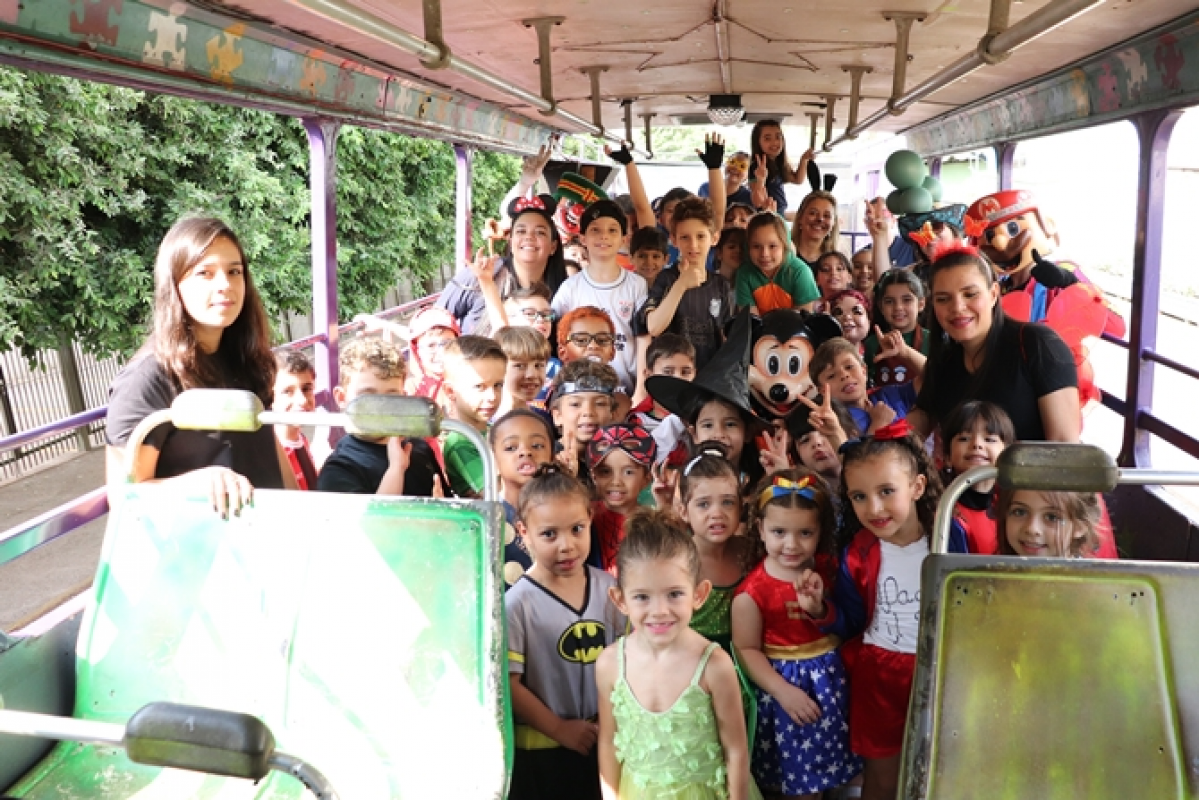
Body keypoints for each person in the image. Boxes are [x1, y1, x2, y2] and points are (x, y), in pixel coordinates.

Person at [796, 424, 968, 800]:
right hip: (879, 676)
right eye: (859, 496)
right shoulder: (858, 552)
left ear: (917, 487)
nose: (873, 508)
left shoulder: (949, 535)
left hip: (941, 671)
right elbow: (852, 621)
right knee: (883, 778)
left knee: (941, 771)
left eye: (886, 491)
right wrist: (822, 609)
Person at [105, 217, 292, 517]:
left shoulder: (246, 358)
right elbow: (125, 496)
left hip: (263, 532)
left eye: (234, 272)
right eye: (205, 273)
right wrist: (201, 481)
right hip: (197, 541)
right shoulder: (148, 378)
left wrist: (301, 512)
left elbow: (267, 447)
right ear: (174, 284)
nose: (225, 285)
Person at [596, 509, 754, 800]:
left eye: (674, 594)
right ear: (620, 600)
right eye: (642, 597)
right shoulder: (609, 664)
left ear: (699, 594)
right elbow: (608, 741)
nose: (659, 611)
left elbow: (735, 749)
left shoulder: (714, 665)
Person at [732, 469, 861, 798]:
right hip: (788, 695)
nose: (791, 544)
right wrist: (783, 692)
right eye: (779, 532)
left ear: (820, 532)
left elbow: (847, 623)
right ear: (760, 529)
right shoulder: (752, 592)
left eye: (805, 532)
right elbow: (746, 649)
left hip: (833, 687)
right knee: (802, 786)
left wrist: (819, 608)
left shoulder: (830, 570)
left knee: (838, 774)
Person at [507, 465, 625, 800]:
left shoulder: (611, 589)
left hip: (607, 742)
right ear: (524, 532)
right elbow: (510, 685)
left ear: (590, 519)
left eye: (576, 529)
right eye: (549, 534)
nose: (567, 545)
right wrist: (559, 729)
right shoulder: (516, 604)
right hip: (544, 754)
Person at [908, 245, 1080, 443]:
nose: (957, 307)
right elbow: (921, 419)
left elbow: (1064, 447)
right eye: (943, 299)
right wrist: (885, 439)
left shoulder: (1038, 345)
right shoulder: (944, 361)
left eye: (970, 294)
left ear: (993, 294)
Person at [316, 337, 446, 497]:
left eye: (392, 396)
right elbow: (371, 514)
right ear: (341, 398)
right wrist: (396, 469)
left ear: (404, 398)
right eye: (367, 396)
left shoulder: (419, 447)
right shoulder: (339, 470)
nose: (380, 407)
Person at [551, 200, 649, 396]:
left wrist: (641, 389)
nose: (604, 236)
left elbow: (643, 338)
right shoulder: (570, 287)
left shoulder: (637, 284)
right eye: (595, 230)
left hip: (627, 389)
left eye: (612, 230)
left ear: (624, 238)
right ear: (583, 238)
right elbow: (554, 332)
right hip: (581, 388)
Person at [439, 194, 569, 334]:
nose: (529, 237)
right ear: (511, 242)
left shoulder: (565, 292)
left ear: (553, 246)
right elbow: (436, 319)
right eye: (521, 231)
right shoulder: (479, 276)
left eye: (540, 232)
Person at [638, 196, 734, 370]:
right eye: (685, 237)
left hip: (709, 376)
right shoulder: (666, 279)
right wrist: (681, 284)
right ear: (674, 240)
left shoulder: (721, 285)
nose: (693, 245)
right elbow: (653, 327)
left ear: (714, 238)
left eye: (700, 236)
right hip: (672, 375)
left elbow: (727, 338)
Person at [678, 444, 752, 653]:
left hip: (747, 661)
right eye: (703, 504)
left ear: (741, 507)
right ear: (684, 512)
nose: (717, 513)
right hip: (691, 663)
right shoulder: (676, 561)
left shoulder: (750, 553)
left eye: (728, 502)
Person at [490, 409, 556, 589]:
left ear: (552, 456)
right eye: (511, 448)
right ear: (493, 460)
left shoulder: (564, 514)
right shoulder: (486, 519)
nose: (525, 452)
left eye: (537, 445)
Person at [941, 401, 1014, 555]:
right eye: (964, 438)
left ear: (1008, 455)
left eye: (989, 439)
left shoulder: (1013, 506)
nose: (976, 444)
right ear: (947, 456)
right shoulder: (942, 509)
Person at [441, 336, 507, 498]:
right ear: (450, 391)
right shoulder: (460, 442)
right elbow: (497, 495)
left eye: (498, 385)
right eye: (479, 387)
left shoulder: (492, 431)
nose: (492, 396)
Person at [810, 338, 917, 436]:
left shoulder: (888, 395)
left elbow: (927, 382)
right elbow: (854, 451)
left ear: (864, 371)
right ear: (822, 391)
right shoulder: (834, 424)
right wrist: (879, 424)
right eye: (831, 376)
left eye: (849, 367)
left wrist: (905, 352)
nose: (844, 375)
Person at [588, 423, 656, 573]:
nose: (616, 482)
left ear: (646, 478)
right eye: (605, 472)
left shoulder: (652, 521)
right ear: (594, 476)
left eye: (628, 472)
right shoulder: (585, 514)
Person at [549, 359, 620, 487]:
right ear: (557, 416)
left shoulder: (617, 460)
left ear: (613, 414)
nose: (588, 412)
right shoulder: (547, 460)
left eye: (600, 404)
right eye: (575, 404)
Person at [737, 213, 819, 316]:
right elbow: (750, 320)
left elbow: (804, 319)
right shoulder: (744, 274)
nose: (764, 254)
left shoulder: (800, 273)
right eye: (756, 246)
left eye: (772, 246)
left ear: (784, 246)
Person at [863, 269, 929, 388]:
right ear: (881, 307)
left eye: (907, 300)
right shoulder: (872, 344)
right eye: (889, 301)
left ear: (921, 304)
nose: (898, 307)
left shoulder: (933, 341)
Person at [997, 488, 1106, 558]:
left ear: (1080, 526)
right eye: (1020, 512)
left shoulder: (1090, 586)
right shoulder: (993, 579)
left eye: (1051, 517)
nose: (1032, 529)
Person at [271, 349, 319, 490]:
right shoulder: (271, 454)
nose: (302, 400)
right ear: (269, 397)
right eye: (287, 392)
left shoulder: (301, 440)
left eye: (306, 389)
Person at [402, 306, 460, 412]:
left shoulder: (473, 379)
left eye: (447, 343)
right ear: (417, 351)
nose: (441, 352)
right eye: (431, 346)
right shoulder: (411, 391)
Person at [748, 120, 812, 215]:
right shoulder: (756, 166)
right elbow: (757, 202)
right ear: (758, 142)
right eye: (767, 139)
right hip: (767, 216)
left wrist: (804, 159)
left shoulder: (778, 163)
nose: (774, 142)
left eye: (778, 137)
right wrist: (761, 180)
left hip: (779, 214)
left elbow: (797, 180)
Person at [495, 326, 551, 417]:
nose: (532, 374)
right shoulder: (483, 421)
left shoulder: (545, 419)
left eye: (538, 365)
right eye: (520, 366)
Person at [790, 191, 840, 268]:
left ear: (833, 223)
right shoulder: (783, 254)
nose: (820, 219)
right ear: (800, 218)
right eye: (813, 213)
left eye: (826, 216)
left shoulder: (837, 263)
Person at [827, 289, 872, 354]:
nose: (847, 317)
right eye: (838, 313)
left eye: (857, 312)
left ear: (869, 320)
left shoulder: (874, 352)